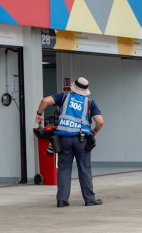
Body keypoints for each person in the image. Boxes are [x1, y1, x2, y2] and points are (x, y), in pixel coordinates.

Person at [35, 77, 104, 208]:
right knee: (84, 169)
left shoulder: (64, 97)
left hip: (64, 139)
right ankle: (89, 199)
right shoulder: (90, 103)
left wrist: (39, 114)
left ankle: (62, 200)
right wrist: (94, 131)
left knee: (64, 169)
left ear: (74, 87)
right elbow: (100, 121)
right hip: (82, 140)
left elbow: (45, 101)